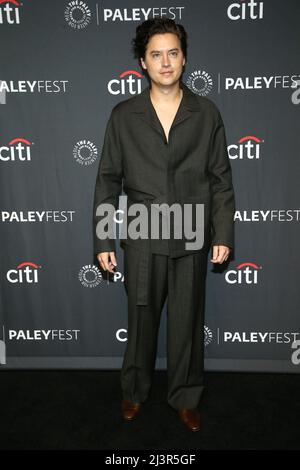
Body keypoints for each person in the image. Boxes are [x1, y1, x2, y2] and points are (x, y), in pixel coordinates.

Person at [93, 18, 235, 432]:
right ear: (143, 62)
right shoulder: (123, 115)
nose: (166, 61)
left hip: (191, 229)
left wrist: (222, 232)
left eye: (173, 52)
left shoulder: (206, 113)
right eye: (156, 54)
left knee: (187, 322)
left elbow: (221, 179)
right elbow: (106, 180)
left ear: (184, 58)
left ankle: (186, 396)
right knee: (140, 321)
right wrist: (103, 235)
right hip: (141, 228)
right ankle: (133, 392)